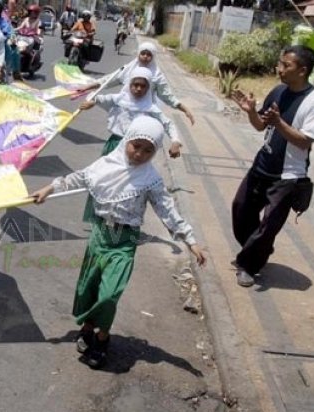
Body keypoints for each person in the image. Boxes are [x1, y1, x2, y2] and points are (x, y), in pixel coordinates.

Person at [30, 117, 206, 369]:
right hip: (100, 234)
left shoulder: (151, 179)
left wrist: (191, 240)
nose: (140, 154)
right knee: (88, 288)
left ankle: (102, 339)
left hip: (124, 241)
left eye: (148, 150)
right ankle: (88, 328)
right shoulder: (106, 165)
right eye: (136, 146)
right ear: (126, 141)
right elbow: (79, 178)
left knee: (110, 294)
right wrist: (49, 188)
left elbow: (168, 210)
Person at [230, 46, 314, 287]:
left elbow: (304, 141)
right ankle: (258, 251)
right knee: (240, 209)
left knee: (269, 224)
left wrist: (279, 122)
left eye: (286, 65)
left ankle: (249, 265)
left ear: (302, 70)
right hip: (262, 165)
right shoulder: (279, 91)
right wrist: (251, 112)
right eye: (279, 63)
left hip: (288, 176)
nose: (279, 68)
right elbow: (261, 126)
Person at [78, 66, 183, 222]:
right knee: (102, 179)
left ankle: (119, 219)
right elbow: (98, 98)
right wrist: (91, 102)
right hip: (115, 146)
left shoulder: (151, 108)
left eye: (143, 86)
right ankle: (96, 217)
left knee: (127, 186)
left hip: (137, 152)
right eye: (135, 84)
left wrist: (175, 141)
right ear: (129, 84)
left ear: (148, 88)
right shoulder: (118, 100)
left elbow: (168, 124)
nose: (138, 89)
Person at [79, 42, 196, 126]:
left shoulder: (157, 76)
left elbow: (168, 97)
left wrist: (185, 109)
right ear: (138, 54)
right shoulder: (127, 69)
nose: (145, 57)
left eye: (149, 54)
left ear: (153, 57)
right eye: (143, 53)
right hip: (123, 111)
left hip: (143, 114)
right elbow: (108, 80)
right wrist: (88, 87)